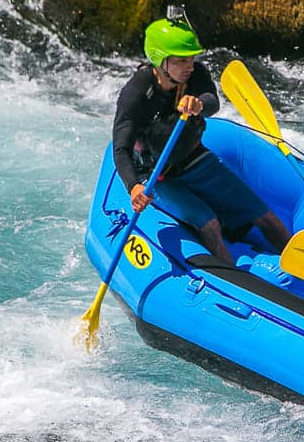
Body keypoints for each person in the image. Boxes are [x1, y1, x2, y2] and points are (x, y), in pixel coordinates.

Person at [112, 15, 290, 265]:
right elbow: (120, 149)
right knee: (209, 222)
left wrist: (199, 104)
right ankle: (234, 284)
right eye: (182, 60)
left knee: (266, 217)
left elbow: (212, 101)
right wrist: (134, 186)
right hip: (155, 174)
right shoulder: (136, 93)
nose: (190, 66)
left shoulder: (195, 75)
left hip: (192, 159)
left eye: (192, 58)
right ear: (160, 60)